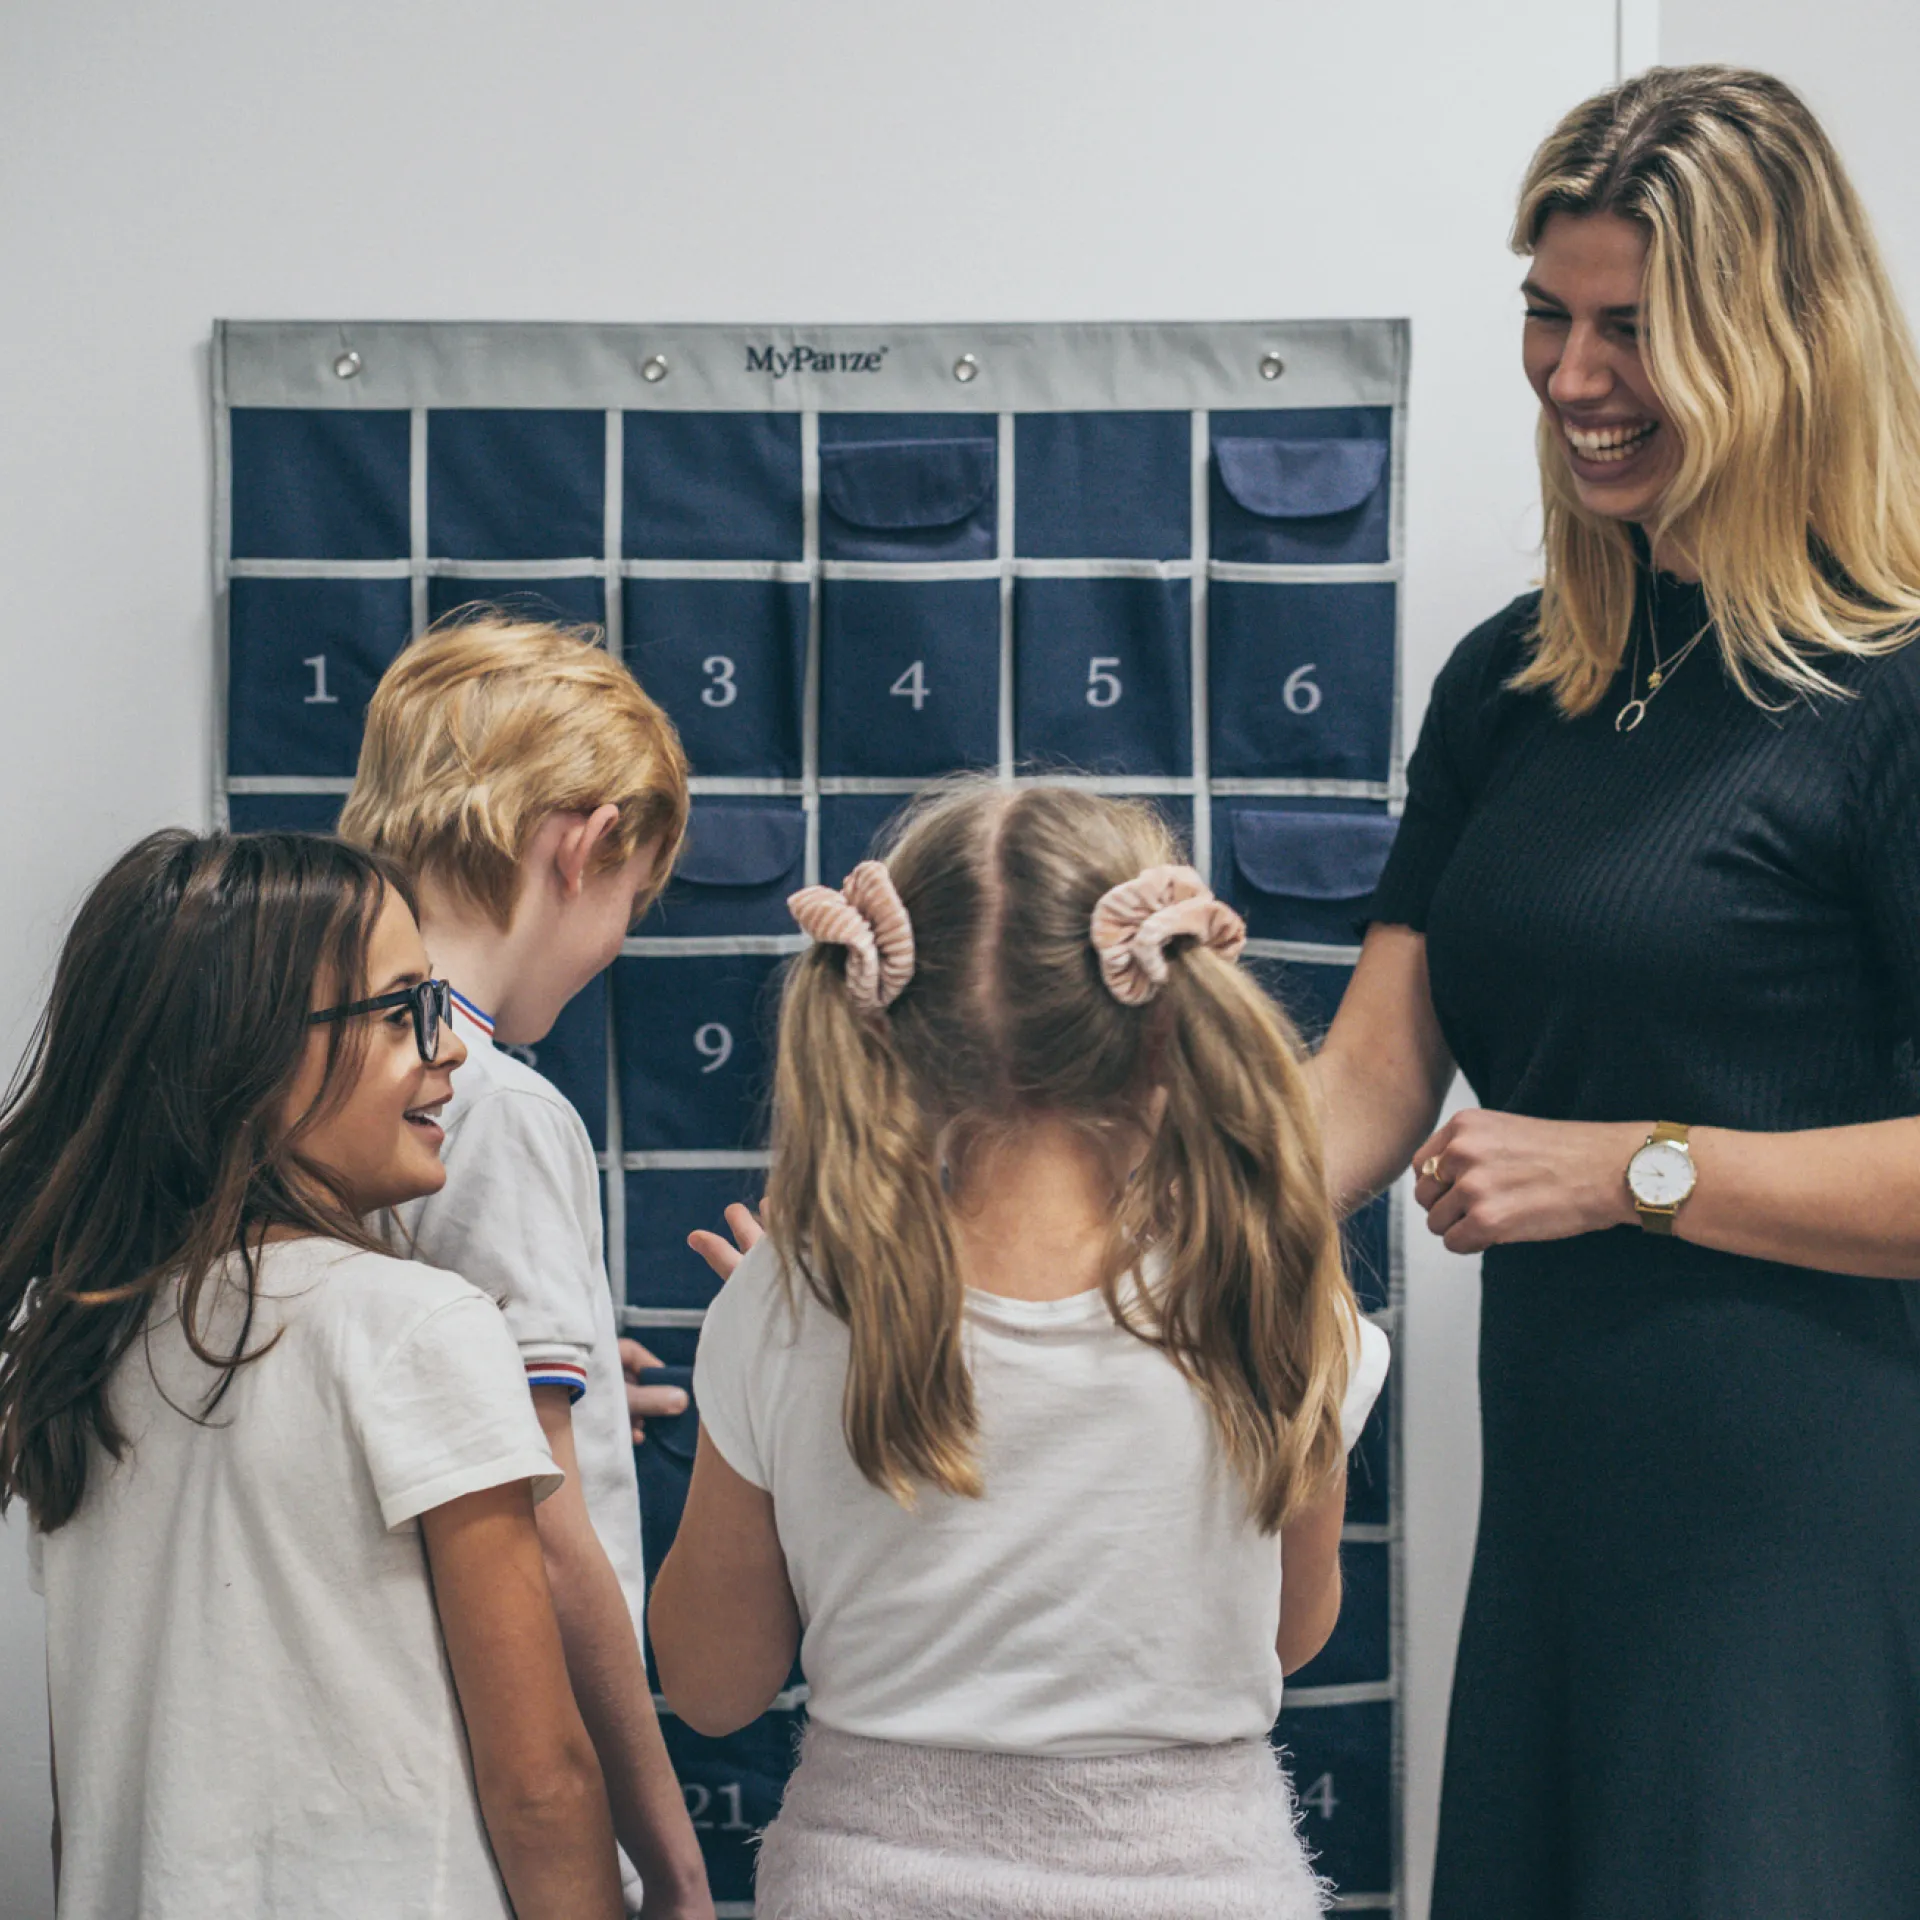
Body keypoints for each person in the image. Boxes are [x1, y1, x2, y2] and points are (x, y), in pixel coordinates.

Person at [1313, 66, 1920, 1917]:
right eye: (1548, 315)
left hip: (1818, 1534)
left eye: (1636, 332)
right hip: (1574, 1527)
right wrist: (1017, 1198)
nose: (1574, 379)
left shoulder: (1892, 691)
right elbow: (1359, 1089)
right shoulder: (1515, 683)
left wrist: (1635, 1169)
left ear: (1778, 341)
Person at [648, 781, 1391, 1920]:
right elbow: (1288, 1635)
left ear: (882, 1026)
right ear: (1165, 1027)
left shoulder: (786, 1306)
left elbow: (710, 1686)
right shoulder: (1278, 1296)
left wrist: (759, 1349)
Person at [0, 830, 623, 1920]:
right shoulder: (420, 1324)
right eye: (400, 1015)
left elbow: (84, 1799)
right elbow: (540, 1780)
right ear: (244, 1053)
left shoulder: (80, 1342)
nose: (450, 1051)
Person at [338, 612, 713, 1919]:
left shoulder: (314, 1075)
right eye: (631, 899)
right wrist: (664, 1851)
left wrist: (565, 1375)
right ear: (585, 844)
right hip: (508, 1805)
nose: (618, 941)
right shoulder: (493, 1105)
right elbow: (546, 1535)